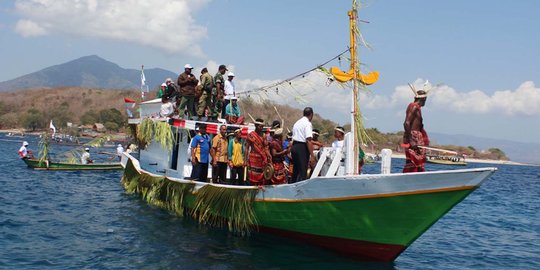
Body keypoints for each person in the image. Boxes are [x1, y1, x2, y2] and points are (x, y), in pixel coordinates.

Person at [402, 90, 430, 173]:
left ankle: (417, 176)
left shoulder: (417, 108)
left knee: (419, 161)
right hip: (413, 137)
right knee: (412, 161)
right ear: (424, 99)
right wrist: (411, 140)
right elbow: (406, 123)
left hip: (416, 137)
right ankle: (410, 176)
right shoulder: (413, 106)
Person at [291, 107, 316, 183]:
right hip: (301, 147)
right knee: (302, 171)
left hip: (294, 146)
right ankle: (300, 192)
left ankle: (294, 188)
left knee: (296, 171)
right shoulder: (307, 124)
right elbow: (308, 140)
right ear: (311, 115)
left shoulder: (297, 123)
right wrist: (312, 155)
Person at [246, 118, 271, 185]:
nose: (261, 128)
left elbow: (266, 147)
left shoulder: (263, 135)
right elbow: (247, 148)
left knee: (262, 176)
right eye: (260, 126)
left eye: (262, 126)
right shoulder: (251, 135)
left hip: (262, 158)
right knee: (253, 176)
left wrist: (268, 155)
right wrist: (245, 160)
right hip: (253, 158)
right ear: (256, 126)